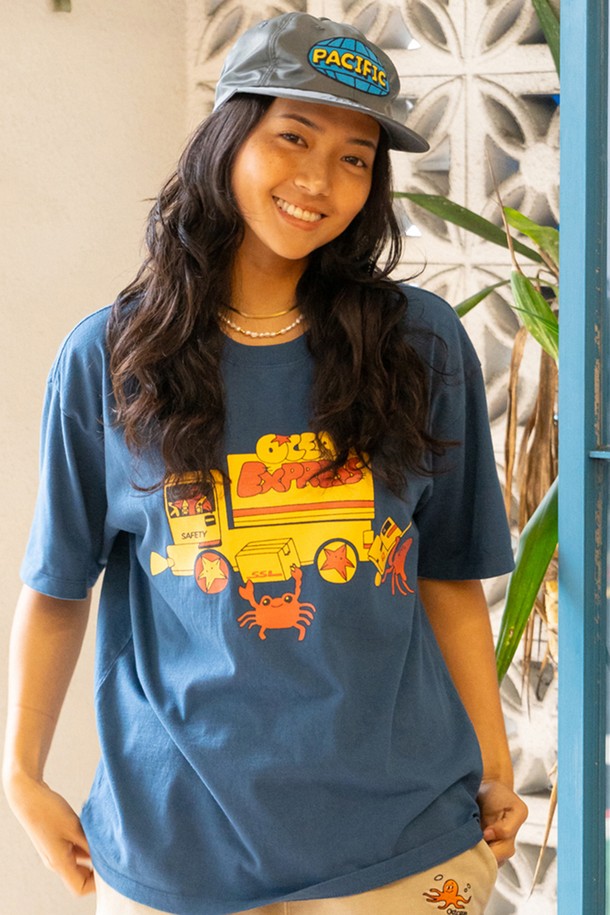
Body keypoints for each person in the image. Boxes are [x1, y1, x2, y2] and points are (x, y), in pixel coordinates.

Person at [3, 12, 527, 915]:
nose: (319, 180)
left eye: (356, 157)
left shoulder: (420, 344)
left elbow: (447, 574)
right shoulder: (110, 358)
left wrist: (495, 767)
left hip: (401, 844)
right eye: (293, 136)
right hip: (173, 843)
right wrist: (21, 774)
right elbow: (57, 586)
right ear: (228, 135)